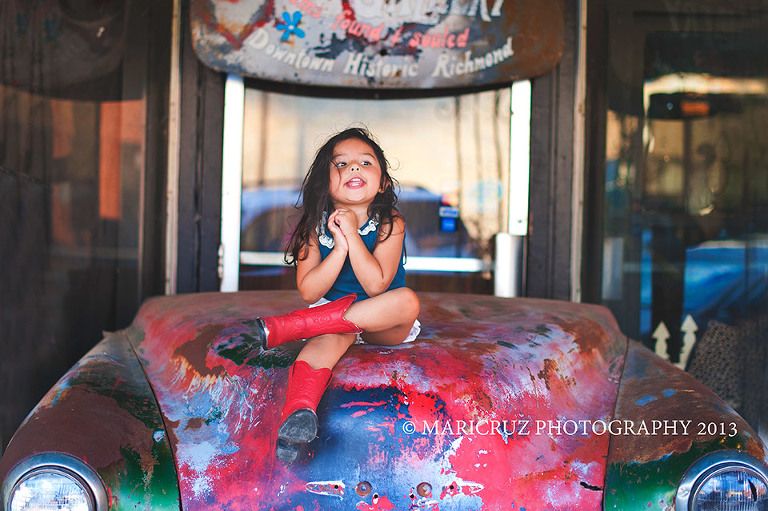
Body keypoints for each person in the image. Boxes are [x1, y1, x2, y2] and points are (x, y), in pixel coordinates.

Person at [254, 127, 421, 463]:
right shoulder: (312, 228)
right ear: (323, 183)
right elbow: (309, 290)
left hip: (381, 320)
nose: (354, 168)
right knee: (322, 347)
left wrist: (352, 236)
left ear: (383, 183)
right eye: (341, 164)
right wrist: (339, 247)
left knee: (407, 301)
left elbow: (376, 285)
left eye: (365, 162)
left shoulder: (390, 223)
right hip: (332, 318)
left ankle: (295, 325)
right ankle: (297, 416)